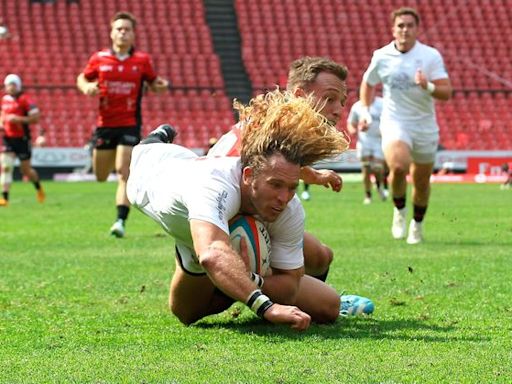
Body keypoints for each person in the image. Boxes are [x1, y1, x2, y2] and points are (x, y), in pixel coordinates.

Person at [128, 90, 373, 330]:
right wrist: (266, 307)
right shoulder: (212, 186)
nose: (284, 198)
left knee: (328, 307)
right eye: (275, 185)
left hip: (213, 209)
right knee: (188, 314)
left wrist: (252, 278)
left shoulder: (290, 206)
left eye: (291, 187)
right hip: (153, 166)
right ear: (248, 176)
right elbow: (212, 253)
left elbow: (290, 285)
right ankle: (158, 136)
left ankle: (237, 281)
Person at [208, 57, 347, 282]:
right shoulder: (273, 130)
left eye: (342, 102)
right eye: (330, 99)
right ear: (300, 96)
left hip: (248, 209)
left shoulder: (284, 126)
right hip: (225, 218)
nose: (338, 110)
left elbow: (281, 164)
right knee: (324, 302)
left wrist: (316, 176)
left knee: (321, 256)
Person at [359, 7, 453, 244]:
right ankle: (399, 211)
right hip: (395, 121)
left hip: (424, 125)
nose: (405, 30)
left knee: (421, 182)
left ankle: (417, 225)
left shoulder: (430, 56)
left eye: (410, 25)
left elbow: (446, 92)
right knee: (399, 167)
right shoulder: (381, 56)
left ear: (417, 29)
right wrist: (366, 111)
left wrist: (427, 86)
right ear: (393, 29)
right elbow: (368, 84)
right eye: (400, 25)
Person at [76, 11, 169, 238]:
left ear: (133, 34)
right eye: (119, 29)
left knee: (123, 172)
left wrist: (161, 85)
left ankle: (120, 221)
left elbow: (154, 82)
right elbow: (82, 78)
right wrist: (86, 87)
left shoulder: (142, 60)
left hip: (130, 124)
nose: (123, 33)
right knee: (100, 174)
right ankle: (102, 164)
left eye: (127, 29)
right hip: (104, 125)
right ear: (112, 33)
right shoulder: (99, 58)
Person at [0, 74, 45, 207]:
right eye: (8, 84)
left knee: (26, 171)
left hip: (22, 140)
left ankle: (38, 187)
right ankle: (5, 198)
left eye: (13, 84)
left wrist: (18, 119)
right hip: (8, 139)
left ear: (18, 86)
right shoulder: (3, 100)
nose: (11, 87)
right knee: (6, 167)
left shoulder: (26, 100)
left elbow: (36, 118)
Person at [347, 93, 388, 205]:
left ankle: (379, 185)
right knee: (365, 168)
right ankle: (368, 195)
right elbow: (351, 123)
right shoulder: (357, 106)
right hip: (364, 141)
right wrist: (354, 131)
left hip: (379, 140)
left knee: (378, 168)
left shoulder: (382, 104)